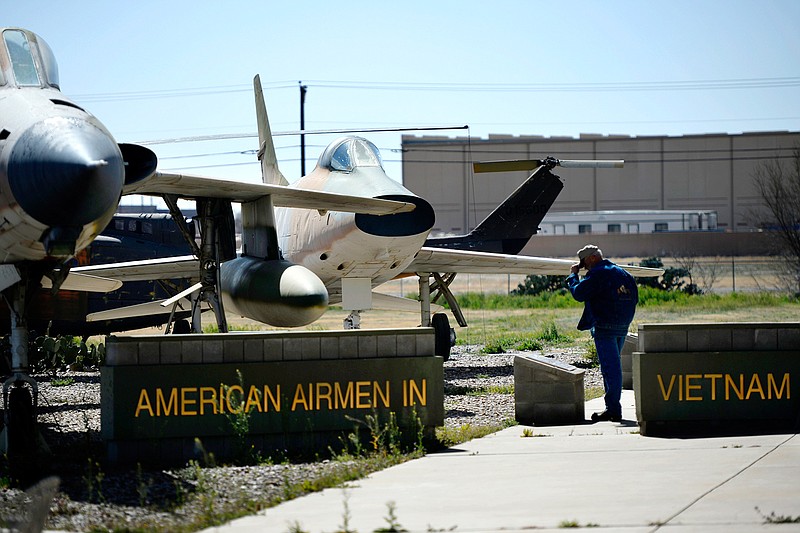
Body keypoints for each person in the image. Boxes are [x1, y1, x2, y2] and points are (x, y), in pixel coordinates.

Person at [567, 245, 638, 422]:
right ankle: (611, 406)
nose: (586, 268)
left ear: (591, 258)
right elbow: (635, 298)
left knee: (611, 368)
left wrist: (573, 276)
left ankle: (614, 409)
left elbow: (578, 293)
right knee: (612, 366)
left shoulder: (598, 273)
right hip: (622, 325)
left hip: (605, 327)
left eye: (585, 264)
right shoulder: (622, 273)